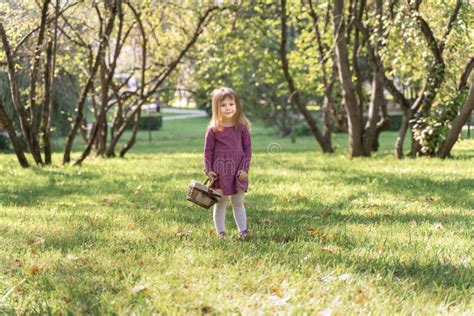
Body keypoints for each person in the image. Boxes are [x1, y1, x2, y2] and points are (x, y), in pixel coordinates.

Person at [203, 87, 252, 239]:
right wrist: (208, 169)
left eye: (231, 104)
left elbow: (248, 149)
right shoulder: (213, 130)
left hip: (238, 172)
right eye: (223, 105)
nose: (228, 108)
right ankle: (221, 233)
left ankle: (243, 232)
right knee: (220, 203)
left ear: (236, 105)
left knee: (238, 202)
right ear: (216, 107)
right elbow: (208, 151)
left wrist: (245, 169)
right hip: (220, 173)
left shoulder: (242, 128)